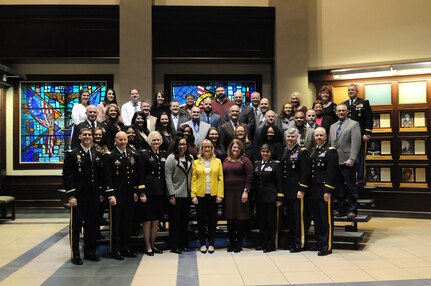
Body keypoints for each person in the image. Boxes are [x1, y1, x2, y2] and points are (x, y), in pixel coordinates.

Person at [63, 127, 103, 265]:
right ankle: (75, 254)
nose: (87, 137)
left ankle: (89, 252)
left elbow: (99, 176)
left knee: (92, 226)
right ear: (79, 137)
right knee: (76, 226)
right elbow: (68, 177)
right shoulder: (72, 154)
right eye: (84, 134)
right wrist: (71, 196)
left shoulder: (96, 153)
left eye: (89, 135)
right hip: (79, 197)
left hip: (93, 197)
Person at [104, 131, 138, 260]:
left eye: (125, 139)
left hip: (128, 194)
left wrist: (135, 191)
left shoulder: (130, 154)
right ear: (115, 141)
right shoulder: (110, 156)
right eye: (120, 140)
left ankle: (126, 247)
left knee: (127, 223)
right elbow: (107, 178)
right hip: (116, 195)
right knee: (116, 224)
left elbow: (132, 176)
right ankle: (115, 250)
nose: (123, 142)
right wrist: (110, 194)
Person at [280, 128, 311, 253]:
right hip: (288, 190)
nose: (290, 139)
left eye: (292, 136)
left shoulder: (302, 151)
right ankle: (293, 241)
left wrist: (302, 189)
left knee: (299, 218)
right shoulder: (286, 151)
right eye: (288, 137)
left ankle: (300, 243)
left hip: (298, 191)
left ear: (297, 137)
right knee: (292, 218)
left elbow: (305, 172)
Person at [137, 131, 167, 256]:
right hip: (148, 192)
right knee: (147, 220)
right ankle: (147, 245)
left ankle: (153, 244)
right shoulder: (144, 154)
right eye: (153, 140)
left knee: (156, 219)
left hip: (160, 191)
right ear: (150, 141)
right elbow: (140, 175)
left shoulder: (164, 154)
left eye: (158, 140)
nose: (156, 142)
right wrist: (142, 192)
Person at [191, 139, 224, 254]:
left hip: (213, 195)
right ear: (201, 148)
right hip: (200, 196)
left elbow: (221, 179)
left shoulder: (218, 161)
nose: (207, 149)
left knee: (212, 221)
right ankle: (202, 243)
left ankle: (211, 243)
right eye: (205, 147)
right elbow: (193, 180)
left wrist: (220, 195)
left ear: (212, 148)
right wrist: (193, 195)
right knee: (201, 221)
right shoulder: (196, 162)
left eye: (209, 147)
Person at [329, 104, 362, 219]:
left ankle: (352, 210)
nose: (341, 112)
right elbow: (331, 144)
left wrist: (352, 158)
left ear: (347, 111)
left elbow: (356, 142)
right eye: (339, 111)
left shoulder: (354, 124)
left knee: (350, 187)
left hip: (348, 161)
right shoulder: (332, 126)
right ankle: (341, 209)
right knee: (339, 188)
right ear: (336, 112)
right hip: (335, 161)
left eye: (343, 110)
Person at [310, 127, 338, 256]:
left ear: (326, 137)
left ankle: (327, 246)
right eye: (316, 135)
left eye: (321, 135)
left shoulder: (330, 151)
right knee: (317, 219)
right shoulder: (313, 151)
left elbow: (331, 173)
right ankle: (319, 243)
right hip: (314, 190)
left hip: (324, 190)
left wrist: (328, 190)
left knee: (325, 219)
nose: (319, 137)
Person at [223, 139, 254, 253]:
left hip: (240, 193)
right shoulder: (225, 160)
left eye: (238, 148)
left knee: (240, 220)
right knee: (230, 220)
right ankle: (231, 243)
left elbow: (250, 175)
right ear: (230, 148)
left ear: (241, 149)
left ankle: (239, 244)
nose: (235, 149)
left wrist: (246, 191)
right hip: (228, 193)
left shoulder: (245, 160)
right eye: (234, 147)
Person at [164, 137, 194, 254]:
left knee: (184, 222)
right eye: (180, 144)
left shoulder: (190, 157)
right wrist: (171, 195)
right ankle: (174, 245)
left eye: (184, 144)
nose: (182, 146)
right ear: (176, 145)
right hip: (175, 195)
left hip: (187, 194)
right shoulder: (171, 158)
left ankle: (183, 244)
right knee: (175, 222)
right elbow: (168, 178)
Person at [253, 144, 283, 253]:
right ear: (260, 152)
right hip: (260, 198)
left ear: (270, 153)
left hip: (271, 198)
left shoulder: (275, 164)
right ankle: (263, 242)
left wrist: (279, 197)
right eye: (263, 151)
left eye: (267, 152)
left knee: (271, 222)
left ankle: (270, 245)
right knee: (261, 222)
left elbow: (279, 182)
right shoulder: (256, 164)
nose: (265, 153)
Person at [344, 83, 373, 191]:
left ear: (357, 91)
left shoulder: (363, 103)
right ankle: (349, 181)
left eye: (352, 90)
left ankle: (360, 182)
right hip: (347, 137)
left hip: (360, 136)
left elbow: (369, 119)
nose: (350, 91)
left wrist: (367, 133)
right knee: (349, 158)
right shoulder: (344, 104)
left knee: (360, 159)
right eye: (349, 90)